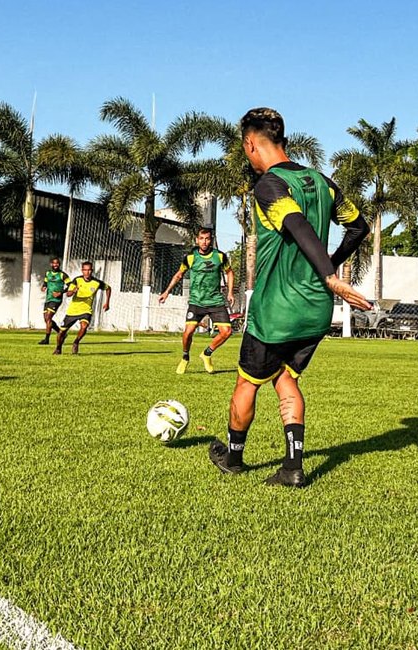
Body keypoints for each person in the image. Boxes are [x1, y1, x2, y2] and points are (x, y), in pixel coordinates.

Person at [207, 107, 370, 488]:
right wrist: (329, 268)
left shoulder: (269, 185)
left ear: (250, 144)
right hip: (315, 311)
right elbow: (358, 227)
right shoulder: (323, 183)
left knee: (246, 383)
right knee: (285, 378)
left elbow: (296, 224)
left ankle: (233, 458)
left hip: (277, 309)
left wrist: (330, 275)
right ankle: (292, 468)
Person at [159, 228, 235, 374]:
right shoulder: (190, 257)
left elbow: (230, 272)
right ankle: (185, 357)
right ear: (197, 240)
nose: (204, 242)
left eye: (207, 238)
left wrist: (230, 292)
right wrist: (167, 292)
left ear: (211, 240)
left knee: (226, 332)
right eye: (201, 238)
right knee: (188, 332)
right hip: (196, 302)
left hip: (215, 301)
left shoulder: (219, 256)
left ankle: (207, 353)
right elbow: (179, 275)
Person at [53, 261, 110, 355]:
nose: (87, 272)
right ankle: (58, 348)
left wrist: (107, 303)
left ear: (92, 271)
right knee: (61, 332)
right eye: (85, 270)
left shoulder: (96, 282)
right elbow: (68, 294)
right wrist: (73, 291)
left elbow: (108, 288)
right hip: (73, 311)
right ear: (82, 271)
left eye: (89, 270)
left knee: (84, 326)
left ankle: (76, 342)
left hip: (86, 310)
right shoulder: (77, 280)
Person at [38, 257, 70, 346]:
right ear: (51, 264)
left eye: (57, 263)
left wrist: (60, 293)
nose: (55, 265)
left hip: (56, 300)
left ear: (59, 264)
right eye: (54, 263)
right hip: (48, 298)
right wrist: (44, 286)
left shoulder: (62, 275)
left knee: (48, 318)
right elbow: (45, 282)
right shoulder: (48, 273)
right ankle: (61, 333)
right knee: (46, 319)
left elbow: (70, 286)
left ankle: (46, 339)